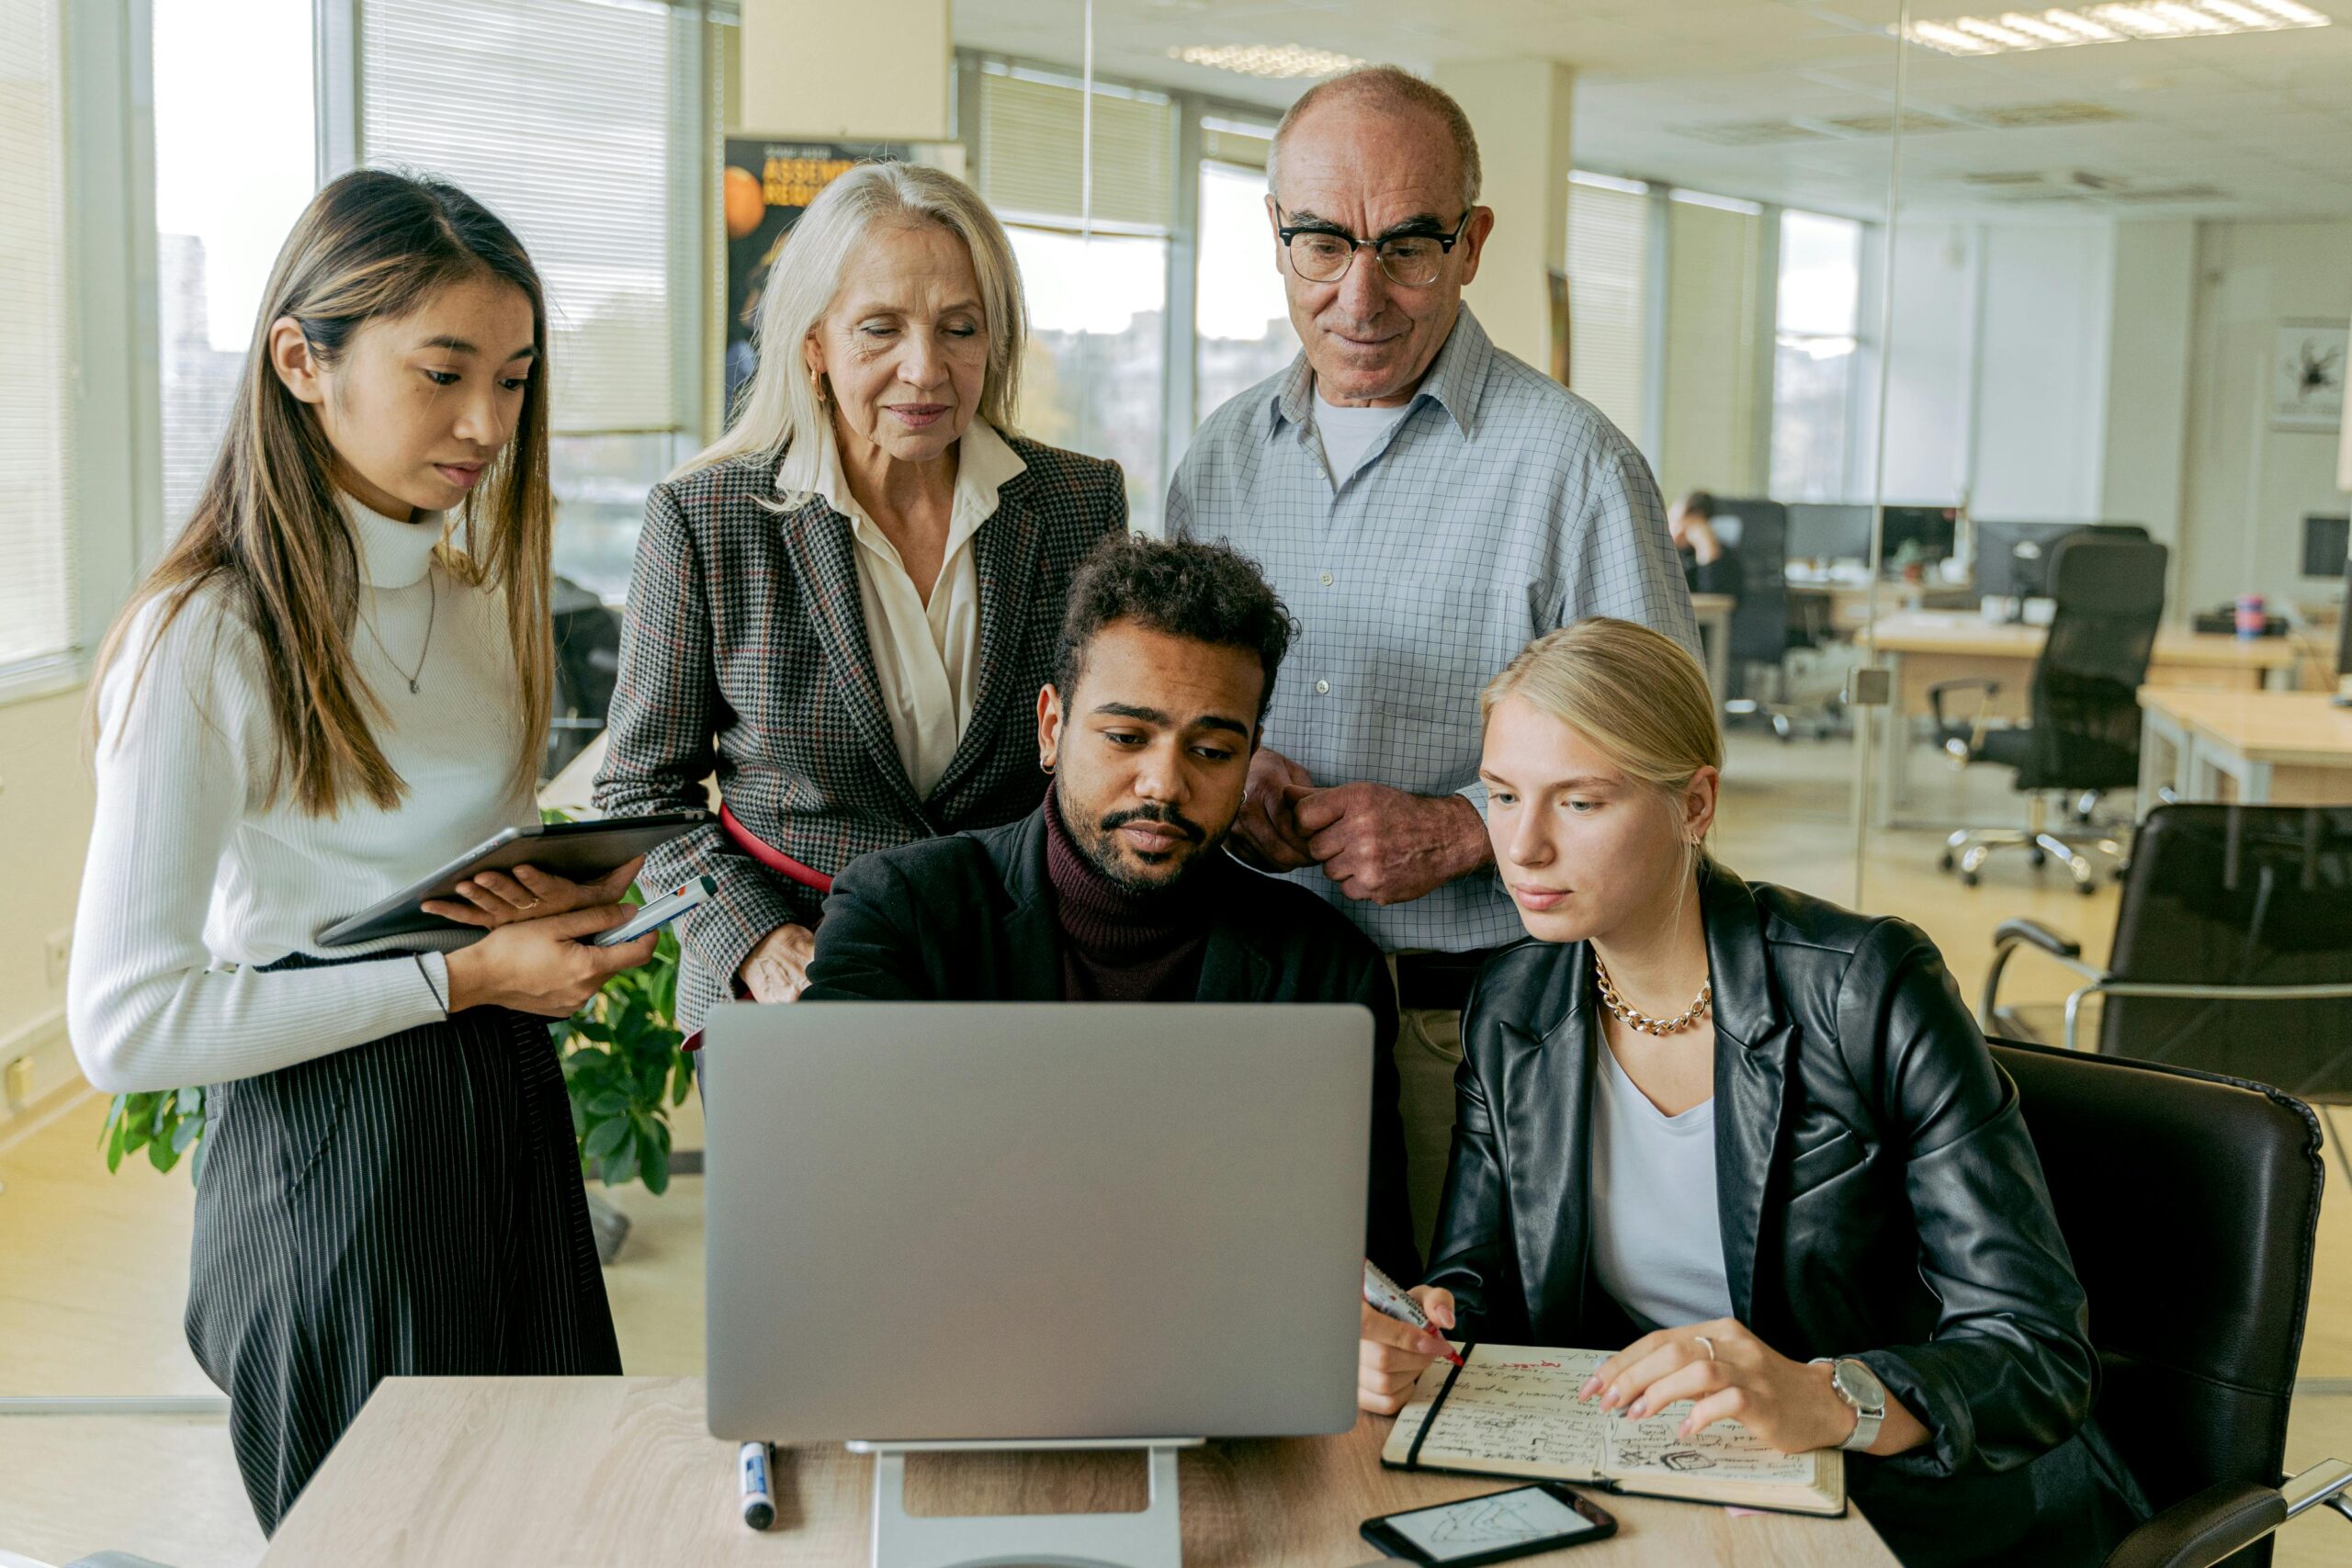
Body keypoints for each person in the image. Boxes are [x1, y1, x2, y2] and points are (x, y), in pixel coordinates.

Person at [67, 171, 658, 1533]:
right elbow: (126, 1022)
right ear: (301, 361)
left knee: (553, 1529)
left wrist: (557, 893)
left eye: (514, 379)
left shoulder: (475, 604)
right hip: (330, 1164)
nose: (486, 423)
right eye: (443, 372)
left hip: (500, 1112)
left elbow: (425, 874)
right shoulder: (206, 636)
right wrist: (461, 978)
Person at [1354, 619, 2149, 1566]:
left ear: (1693, 803)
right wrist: (1421, 1332)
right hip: (1660, 1479)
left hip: (1895, 1496)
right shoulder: (1513, 1006)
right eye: (1501, 796)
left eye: (1579, 802)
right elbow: (1482, 1284)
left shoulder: (1867, 988)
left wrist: (1823, 1396)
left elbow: (2035, 1354)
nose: (1520, 847)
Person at [1165, 64, 1698, 1259]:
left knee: (1444, 1374)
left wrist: (1464, 828)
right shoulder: (1219, 460)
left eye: (1409, 245)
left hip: (1467, 1019)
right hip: (1251, 999)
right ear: (1276, 238)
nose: (1362, 295)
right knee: (1255, 1351)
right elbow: (1178, 701)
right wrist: (1221, 770)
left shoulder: (1576, 469)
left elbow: (1671, 770)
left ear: (1473, 243)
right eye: (1323, 244)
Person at [597, 163, 1126, 1042]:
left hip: (1009, 974)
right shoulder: (709, 517)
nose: (925, 369)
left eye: (959, 328)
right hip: (796, 980)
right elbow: (638, 791)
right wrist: (756, 938)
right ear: (813, 344)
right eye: (880, 329)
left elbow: (1096, 751)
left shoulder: (1078, 504)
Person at [800, 533, 1418, 1284]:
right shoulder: (897, 911)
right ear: (1052, 727)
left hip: (1216, 1383)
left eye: (1213, 751)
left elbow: (1367, 1267)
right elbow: (838, 1212)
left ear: (1251, 753)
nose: (1164, 783)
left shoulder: (1321, 970)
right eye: (1127, 736)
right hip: (956, 1356)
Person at [1669, 490, 1742, 597]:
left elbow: (1714, 604)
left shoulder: (1723, 557)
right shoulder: (1657, 550)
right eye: (1674, 521)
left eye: (1688, 526)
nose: (1677, 531)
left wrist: (1706, 548)